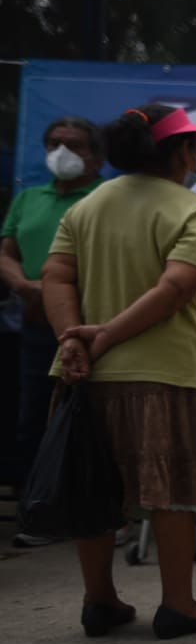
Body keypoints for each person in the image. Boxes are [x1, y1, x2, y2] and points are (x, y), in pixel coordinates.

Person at [43, 104, 196, 640]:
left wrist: (75, 339)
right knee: (171, 487)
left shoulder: (87, 206)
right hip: (165, 372)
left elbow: (56, 276)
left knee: (92, 483)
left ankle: (99, 599)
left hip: (85, 374)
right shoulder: (190, 209)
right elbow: (176, 288)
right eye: (192, 149)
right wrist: (106, 334)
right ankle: (178, 603)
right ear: (178, 152)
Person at [1, 116, 106, 547]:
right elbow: (6, 250)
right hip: (34, 323)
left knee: (92, 419)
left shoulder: (102, 198)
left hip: (90, 326)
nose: (61, 151)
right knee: (34, 418)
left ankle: (97, 514)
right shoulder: (28, 199)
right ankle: (36, 511)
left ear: (96, 159)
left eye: (74, 145)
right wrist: (25, 285)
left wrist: (61, 292)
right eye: (54, 142)